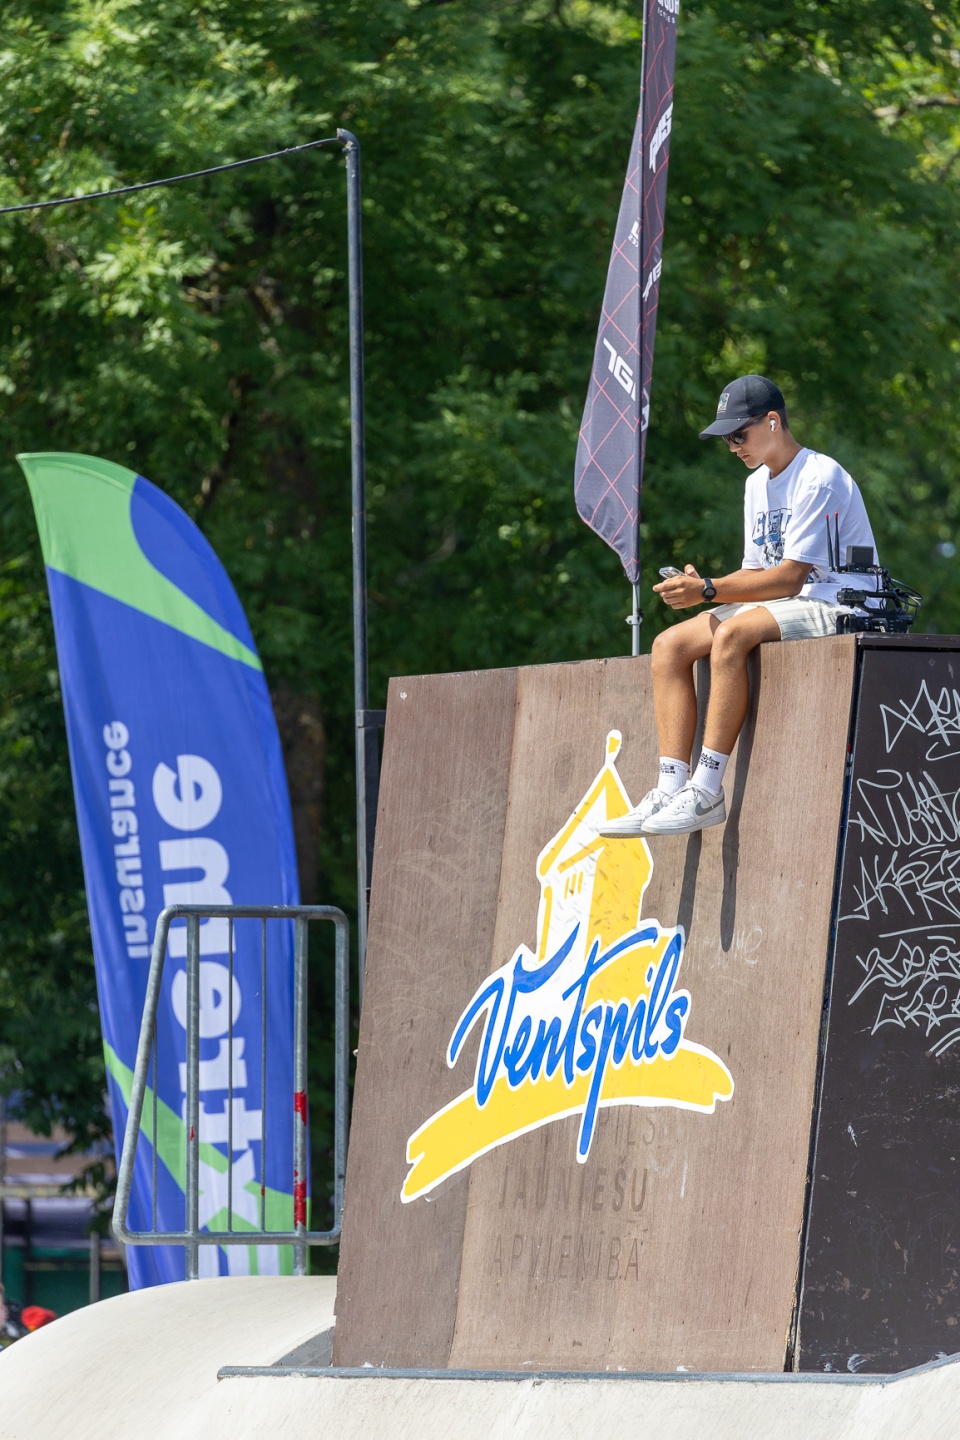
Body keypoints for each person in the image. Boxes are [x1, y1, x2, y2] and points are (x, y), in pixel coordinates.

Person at [602, 373, 879, 839]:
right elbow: (755, 573)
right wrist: (705, 587)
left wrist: (709, 590)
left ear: (772, 422)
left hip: (841, 600)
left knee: (732, 634)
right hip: (791, 599)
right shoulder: (756, 485)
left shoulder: (820, 476)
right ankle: (669, 789)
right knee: (669, 645)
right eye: (726, 439)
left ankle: (707, 790)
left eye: (738, 435)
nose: (732, 447)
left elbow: (791, 577)